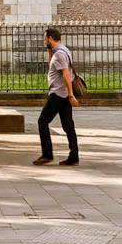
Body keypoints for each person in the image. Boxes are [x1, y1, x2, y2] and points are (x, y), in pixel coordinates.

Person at [34, 27, 79, 166]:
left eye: (45, 39)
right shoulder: (63, 50)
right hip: (63, 93)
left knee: (42, 122)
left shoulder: (59, 54)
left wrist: (71, 95)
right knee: (68, 125)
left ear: (51, 38)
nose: (44, 41)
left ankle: (47, 155)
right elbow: (52, 67)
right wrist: (49, 51)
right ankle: (74, 157)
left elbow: (66, 74)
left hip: (58, 94)